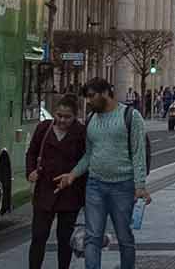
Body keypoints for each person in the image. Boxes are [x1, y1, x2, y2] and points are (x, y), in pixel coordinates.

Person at [54, 79, 149, 269]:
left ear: (105, 92)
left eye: (91, 96)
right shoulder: (91, 119)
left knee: (124, 237)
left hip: (123, 186)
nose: (88, 101)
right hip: (95, 185)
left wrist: (140, 187)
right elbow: (89, 155)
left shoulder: (131, 116)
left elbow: (139, 154)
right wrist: (72, 175)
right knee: (92, 237)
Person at [27, 95, 89, 269]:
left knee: (64, 238)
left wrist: (74, 178)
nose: (62, 120)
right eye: (59, 115)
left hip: (70, 192)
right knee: (39, 236)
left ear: (75, 116)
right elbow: (31, 152)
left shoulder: (81, 132)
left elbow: (87, 159)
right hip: (45, 190)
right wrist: (31, 171)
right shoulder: (43, 129)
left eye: (67, 117)